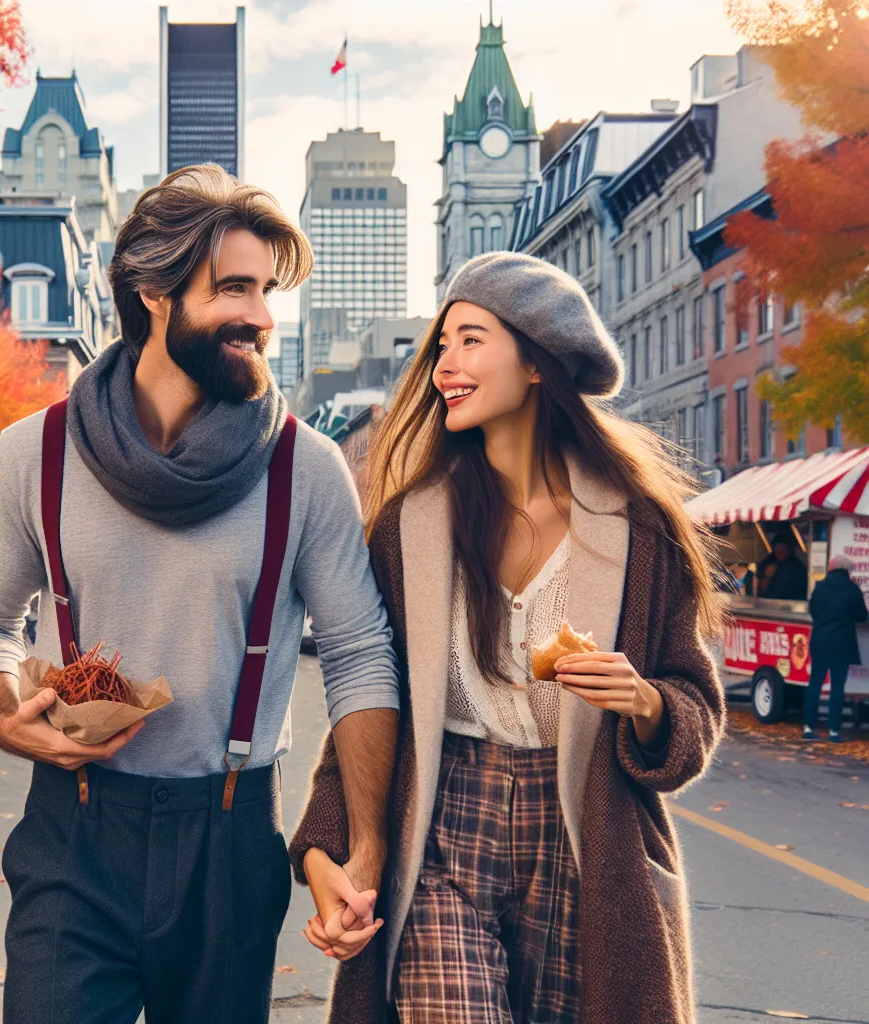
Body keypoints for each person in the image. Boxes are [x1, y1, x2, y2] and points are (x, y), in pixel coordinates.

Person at [0, 165, 400, 1024]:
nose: (263, 317)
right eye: (235, 289)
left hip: (229, 841)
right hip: (73, 836)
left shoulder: (305, 467)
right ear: (154, 292)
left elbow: (359, 652)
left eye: (267, 292)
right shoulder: (33, 454)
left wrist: (367, 841)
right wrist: (5, 714)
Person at [289, 252, 726, 1024]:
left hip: (585, 838)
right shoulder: (410, 527)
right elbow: (369, 696)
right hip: (444, 826)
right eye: (441, 347)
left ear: (534, 362)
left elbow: (695, 709)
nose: (443, 368)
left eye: (469, 341)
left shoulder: (639, 530)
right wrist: (332, 841)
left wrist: (648, 702)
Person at [803, 553, 868, 743]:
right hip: (841, 644)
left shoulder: (820, 587)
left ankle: (808, 728)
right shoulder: (852, 590)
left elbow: (812, 611)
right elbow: (862, 616)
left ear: (831, 569)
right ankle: (833, 732)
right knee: (837, 688)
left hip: (820, 641)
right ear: (847, 571)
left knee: (814, 684)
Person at [758, 532, 808, 601]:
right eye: (777, 551)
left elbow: (777, 593)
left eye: (782, 551)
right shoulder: (769, 562)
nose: (779, 554)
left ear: (789, 551)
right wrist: (767, 577)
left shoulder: (795, 569)